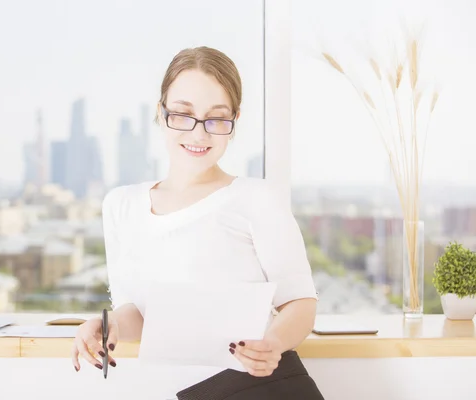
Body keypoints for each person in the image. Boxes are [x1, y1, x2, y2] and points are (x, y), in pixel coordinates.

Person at [71, 46, 324, 399]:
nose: (199, 134)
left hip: (263, 386)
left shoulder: (257, 198)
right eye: (183, 114)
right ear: (161, 114)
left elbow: (301, 303)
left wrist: (272, 344)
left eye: (216, 119)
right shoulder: (121, 205)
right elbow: (139, 314)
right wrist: (104, 325)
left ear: (234, 120)